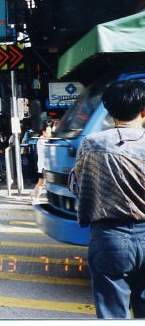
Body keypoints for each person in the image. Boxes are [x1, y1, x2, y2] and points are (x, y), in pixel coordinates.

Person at [70, 80, 145, 319]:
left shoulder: (92, 144)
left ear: (109, 112)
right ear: (144, 111)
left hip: (109, 237)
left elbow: (76, 186)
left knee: (112, 314)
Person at [32, 124, 51, 204]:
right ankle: (35, 198)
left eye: (50, 131)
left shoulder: (47, 140)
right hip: (43, 165)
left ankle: (35, 195)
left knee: (43, 182)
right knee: (41, 182)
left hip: (47, 165)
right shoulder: (41, 140)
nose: (50, 133)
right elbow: (48, 151)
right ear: (43, 132)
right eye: (48, 131)